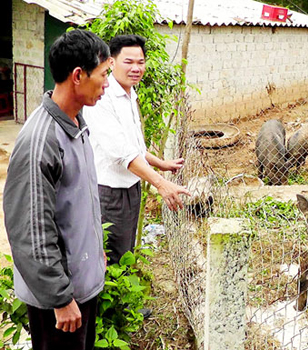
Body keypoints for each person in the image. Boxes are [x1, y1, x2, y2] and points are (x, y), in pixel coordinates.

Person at [3, 29, 111, 350]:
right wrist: (60, 299)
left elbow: (78, 202)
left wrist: (95, 248)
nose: (107, 83)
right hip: (60, 301)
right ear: (78, 76)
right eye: (104, 74)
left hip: (79, 284)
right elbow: (30, 231)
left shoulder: (77, 123)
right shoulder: (42, 141)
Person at [83, 34, 190, 266]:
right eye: (128, 62)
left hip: (131, 187)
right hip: (109, 193)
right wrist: (161, 183)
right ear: (111, 62)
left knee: (126, 251)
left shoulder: (130, 94)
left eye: (140, 62)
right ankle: (108, 301)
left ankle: (123, 299)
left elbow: (135, 146)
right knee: (111, 260)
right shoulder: (103, 97)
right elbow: (123, 153)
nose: (136, 68)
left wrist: (162, 164)